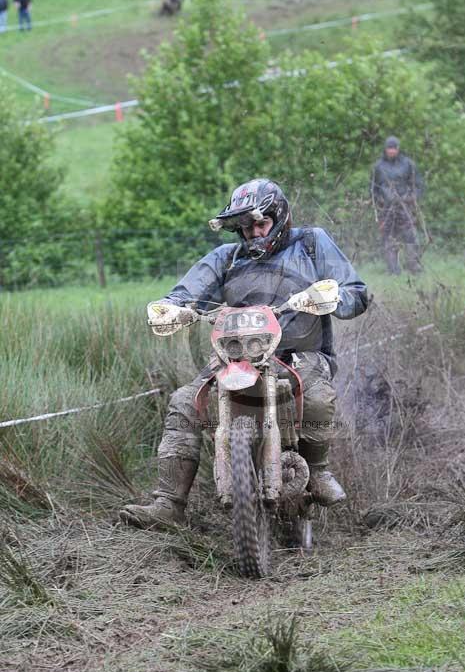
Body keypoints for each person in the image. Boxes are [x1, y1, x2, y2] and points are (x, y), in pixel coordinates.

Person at [120, 178, 368, 532]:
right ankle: (168, 504)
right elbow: (186, 291)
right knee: (185, 403)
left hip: (300, 354)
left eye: (260, 224)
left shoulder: (312, 243)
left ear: (279, 217)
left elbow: (357, 292)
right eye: (246, 226)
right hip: (236, 357)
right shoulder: (226, 257)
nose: (254, 233)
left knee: (314, 397)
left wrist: (334, 298)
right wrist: (171, 307)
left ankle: (319, 471)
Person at [370, 136, 424, 275]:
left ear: (398, 149)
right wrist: (379, 201)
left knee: (410, 237)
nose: (392, 151)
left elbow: (418, 185)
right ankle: (393, 270)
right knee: (388, 238)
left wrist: (412, 198)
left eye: (394, 148)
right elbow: (373, 188)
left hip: (405, 206)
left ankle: (414, 267)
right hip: (386, 208)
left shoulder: (408, 164)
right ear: (385, 149)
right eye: (389, 148)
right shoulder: (378, 166)